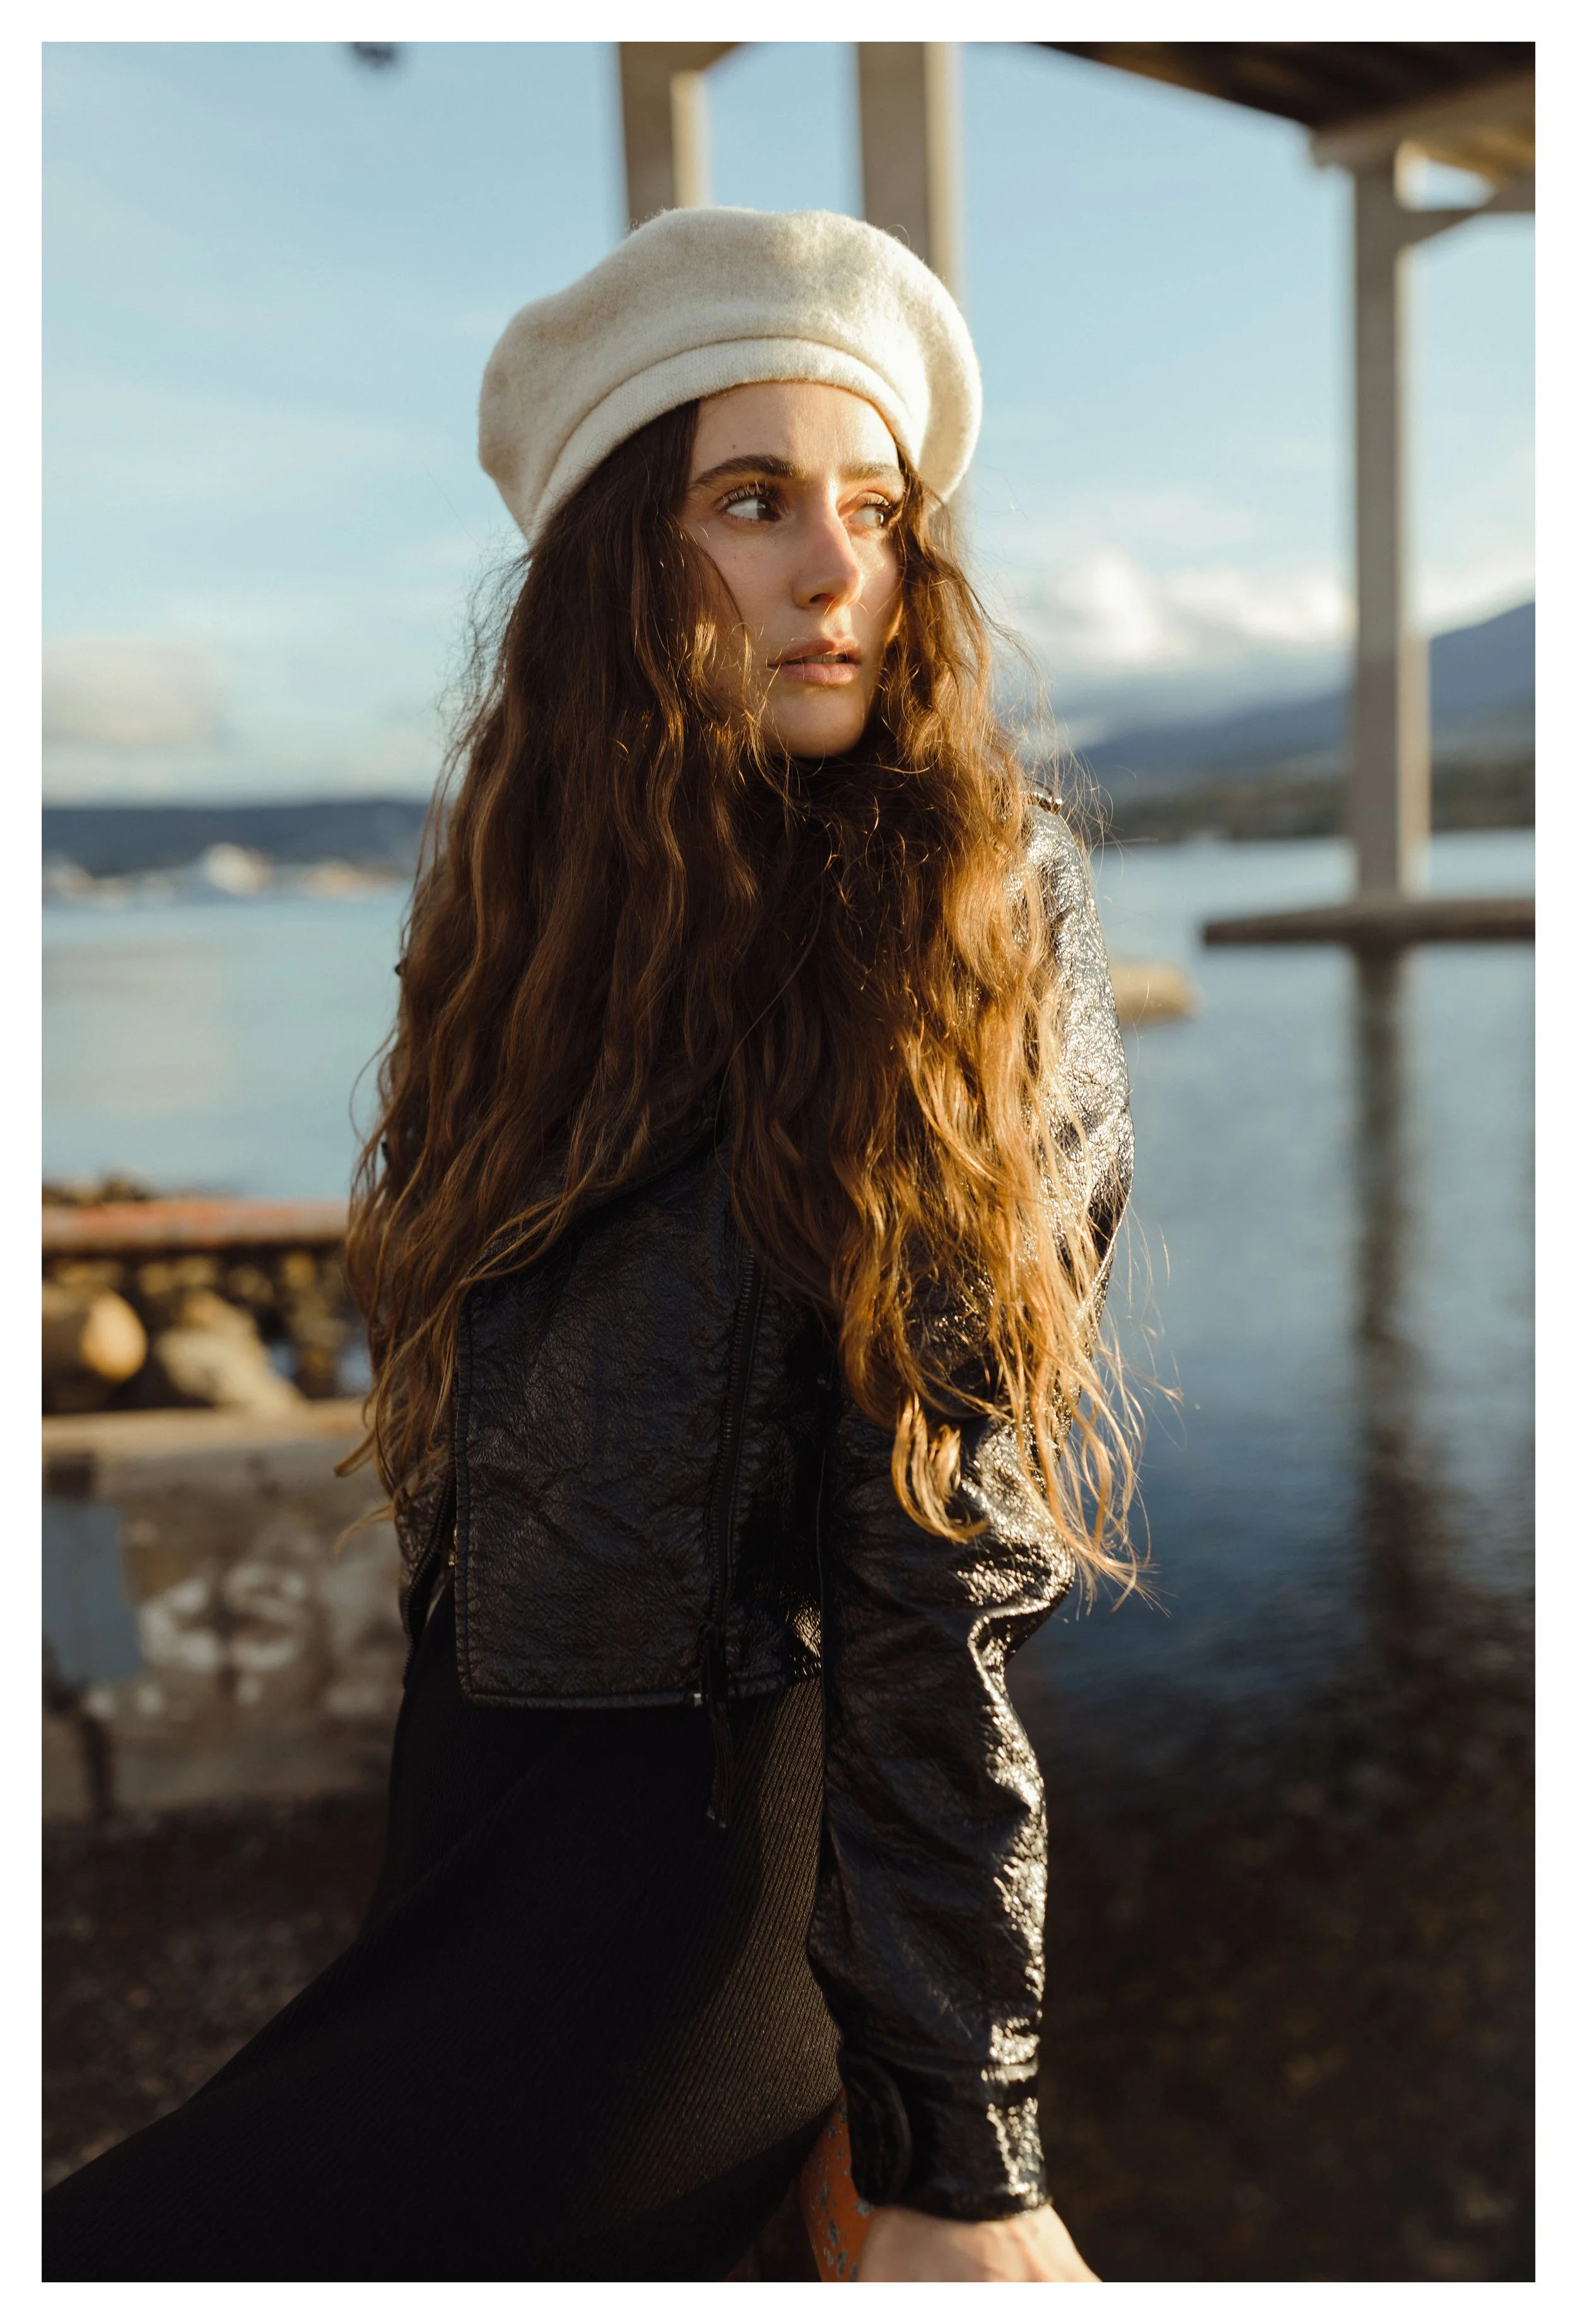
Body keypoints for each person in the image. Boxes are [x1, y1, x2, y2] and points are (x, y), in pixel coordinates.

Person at [44, 206, 1133, 2284]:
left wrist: (960, 2143)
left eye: (876, 510)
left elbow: (944, 1556)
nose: (839, 572)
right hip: (468, 1838)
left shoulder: (966, 923)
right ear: (619, 562)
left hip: (696, 1910)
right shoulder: (528, 934)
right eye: (752, 502)